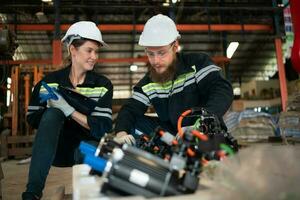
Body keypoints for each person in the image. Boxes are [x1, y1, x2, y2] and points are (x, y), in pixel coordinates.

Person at [22, 21, 113, 200]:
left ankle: (90, 195)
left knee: (93, 150)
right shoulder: (49, 83)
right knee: (52, 113)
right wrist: (51, 107)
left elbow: (103, 127)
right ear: (73, 49)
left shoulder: (102, 85)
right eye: (89, 50)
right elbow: (32, 118)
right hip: (55, 150)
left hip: (86, 148)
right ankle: (32, 193)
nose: (94, 56)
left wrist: (68, 109)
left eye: (97, 51)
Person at [114, 14, 233, 145]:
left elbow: (221, 89)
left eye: (161, 53)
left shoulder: (197, 63)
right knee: (134, 121)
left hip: (204, 130)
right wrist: (121, 133)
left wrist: (200, 124)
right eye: (150, 54)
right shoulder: (149, 82)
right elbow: (130, 110)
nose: (155, 61)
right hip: (173, 137)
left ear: (175, 46)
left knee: (210, 153)